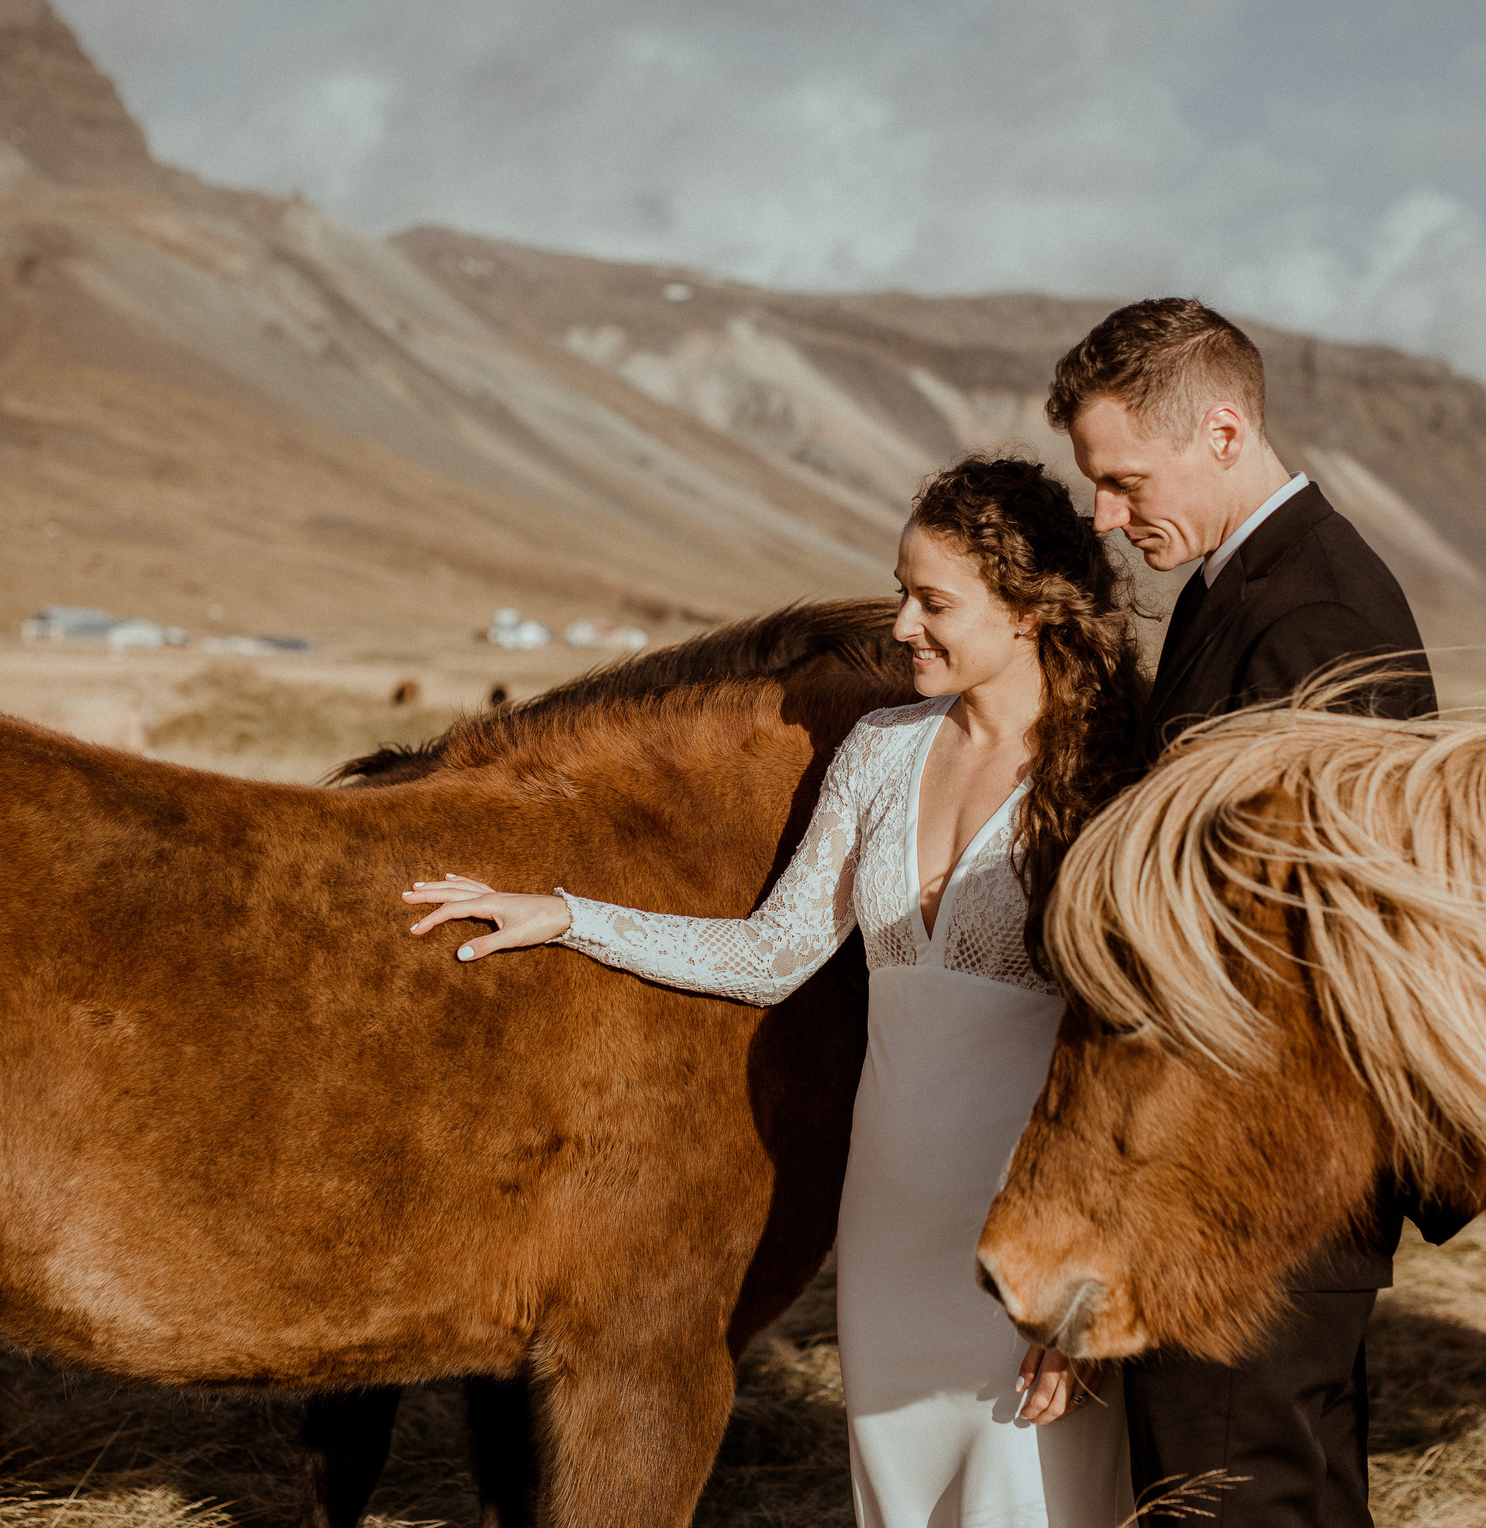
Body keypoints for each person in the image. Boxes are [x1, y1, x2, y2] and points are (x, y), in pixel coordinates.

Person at [400, 455, 1144, 1528]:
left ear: (1029, 610)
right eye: (900, 592)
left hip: (1038, 1228)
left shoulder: (1114, 781)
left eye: (933, 602)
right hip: (888, 1221)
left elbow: (1130, 1051)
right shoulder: (882, 750)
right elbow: (773, 952)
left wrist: (1091, 1294)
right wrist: (567, 915)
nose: (901, 626)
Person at [1050, 297, 1465, 1528]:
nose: (1104, 517)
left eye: (1124, 481)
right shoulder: (1242, 586)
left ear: (1222, 432)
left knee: (1230, 1501)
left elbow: (1298, 936)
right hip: (1253, 1166)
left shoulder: (1315, 617)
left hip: (1262, 1177)